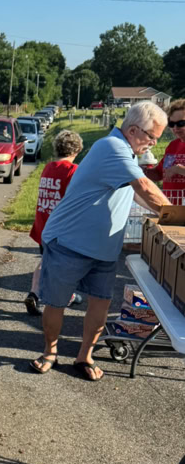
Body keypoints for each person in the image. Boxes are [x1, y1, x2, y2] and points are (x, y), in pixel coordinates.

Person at [31, 101, 171, 380]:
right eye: (152, 137)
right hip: (69, 242)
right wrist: (176, 216)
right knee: (56, 302)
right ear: (133, 130)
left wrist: (164, 214)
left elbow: (137, 193)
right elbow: (144, 187)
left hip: (103, 249)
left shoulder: (127, 152)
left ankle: (84, 356)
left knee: (101, 304)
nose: (153, 144)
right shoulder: (112, 147)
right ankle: (49, 352)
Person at [24, 130, 84, 316]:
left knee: (46, 260)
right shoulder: (73, 171)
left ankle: (34, 293)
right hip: (60, 228)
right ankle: (65, 296)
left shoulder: (48, 167)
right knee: (65, 265)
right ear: (77, 150)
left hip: (43, 222)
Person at [145, 99, 185, 204]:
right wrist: (143, 170)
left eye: (181, 123)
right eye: (171, 124)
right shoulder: (173, 145)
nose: (175, 128)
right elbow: (160, 174)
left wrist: (178, 169)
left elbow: (174, 170)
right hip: (171, 206)